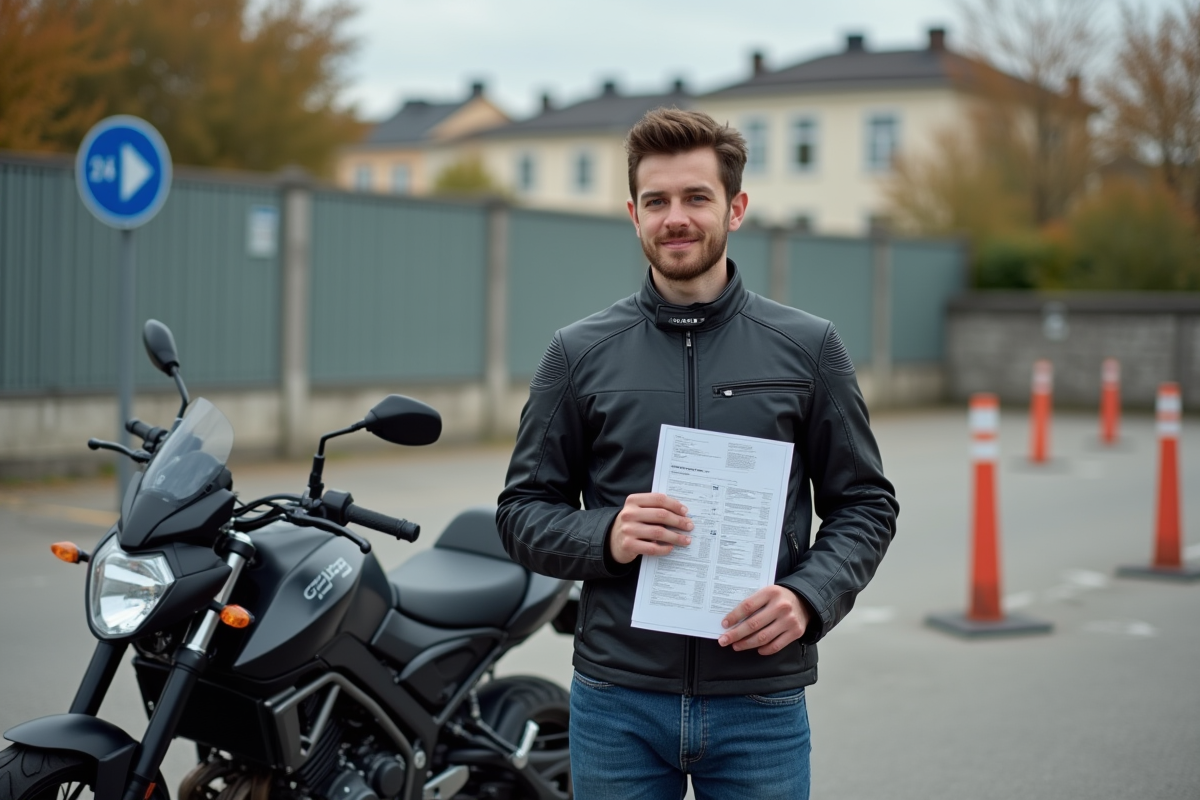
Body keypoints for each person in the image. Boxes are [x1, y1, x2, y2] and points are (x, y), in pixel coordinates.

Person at [496, 108, 898, 800]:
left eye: (696, 197)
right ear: (634, 213)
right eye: (656, 201)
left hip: (759, 704)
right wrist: (608, 534)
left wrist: (809, 598)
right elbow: (521, 513)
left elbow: (865, 504)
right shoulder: (577, 352)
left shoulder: (808, 348)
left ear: (735, 208)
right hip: (617, 699)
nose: (675, 217)